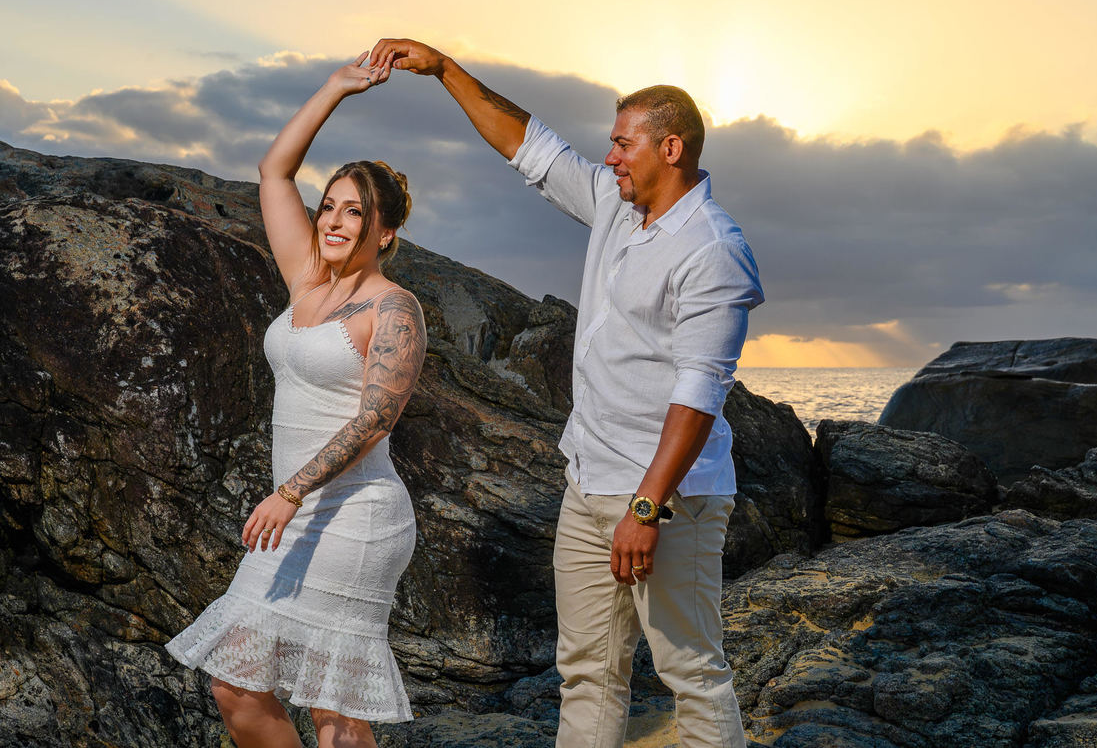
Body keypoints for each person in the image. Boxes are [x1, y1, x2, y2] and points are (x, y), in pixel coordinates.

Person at [369, 38, 763, 748]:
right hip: (588, 485)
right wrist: (445, 71)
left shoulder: (712, 247)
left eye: (621, 144)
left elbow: (699, 392)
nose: (608, 157)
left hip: (668, 499)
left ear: (670, 148)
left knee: (693, 673)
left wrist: (647, 507)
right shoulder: (616, 207)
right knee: (586, 672)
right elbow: (529, 146)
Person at [166, 52, 427, 748]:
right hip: (296, 510)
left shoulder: (393, 308)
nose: (335, 221)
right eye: (331, 207)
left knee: (335, 711)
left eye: (356, 212)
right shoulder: (307, 283)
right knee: (237, 683)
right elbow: (274, 170)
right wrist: (338, 87)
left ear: (387, 231)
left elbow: (376, 418)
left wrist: (291, 490)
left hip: (357, 515)